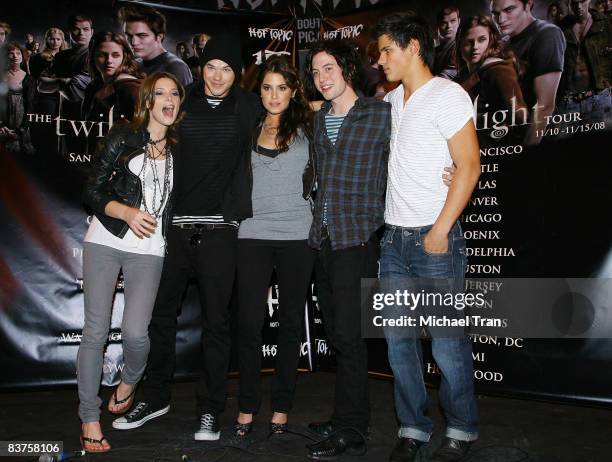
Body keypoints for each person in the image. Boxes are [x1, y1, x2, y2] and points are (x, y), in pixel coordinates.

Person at [111, 35, 261, 442]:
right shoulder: (183, 99)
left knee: (216, 325)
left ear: (238, 72)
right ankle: (155, 396)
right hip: (174, 229)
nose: (217, 75)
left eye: (227, 68)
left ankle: (210, 411)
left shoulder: (249, 106)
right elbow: (149, 133)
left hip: (220, 231)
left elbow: (291, 115)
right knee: (160, 318)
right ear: (201, 67)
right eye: (212, 66)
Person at [373, 12, 481, 462]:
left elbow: (470, 166)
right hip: (393, 242)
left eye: (386, 50)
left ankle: (461, 429)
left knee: (448, 344)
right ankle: (413, 427)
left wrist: (439, 230)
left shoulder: (448, 95)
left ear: (413, 46)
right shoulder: (391, 101)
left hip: (434, 239)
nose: (380, 60)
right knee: (399, 346)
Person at [78, 71, 184, 453]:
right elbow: (91, 188)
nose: (168, 100)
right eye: (160, 93)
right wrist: (124, 211)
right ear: (147, 101)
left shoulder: (179, 148)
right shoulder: (122, 136)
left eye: (175, 94)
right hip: (105, 240)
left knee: (138, 334)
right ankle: (89, 417)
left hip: (151, 249)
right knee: (96, 331)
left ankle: (128, 381)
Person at [301, 39, 390, 459]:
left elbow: (411, 152)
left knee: (351, 337)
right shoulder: (319, 122)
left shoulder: (381, 113)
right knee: (337, 333)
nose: (322, 78)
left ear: (347, 69)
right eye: (316, 72)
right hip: (325, 240)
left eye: (329, 68)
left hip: (358, 238)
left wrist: (447, 169)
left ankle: (353, 428)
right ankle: (344, 415)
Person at [233, 56, 316, 438]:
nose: (274, 95)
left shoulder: (310, 124)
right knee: (249, 323)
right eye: (267, 87)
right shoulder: (248, 126)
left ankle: (281, 407)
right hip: (252, 233)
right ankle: (247, 406)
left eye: (282, 87)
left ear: (294, 90)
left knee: (289, 326)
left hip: (298, 235)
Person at [490, 0, 566, 145]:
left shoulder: (547, 34)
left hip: (538, 140)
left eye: (509, 10)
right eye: (495, 14)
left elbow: (545, 105)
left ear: (528, 4)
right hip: (508, 138)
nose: (501, 20)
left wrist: (526, 156)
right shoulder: (503, 43)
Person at [455, 16, 528, 118]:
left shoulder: (498, 70)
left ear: (491, 40)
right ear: (460, 44)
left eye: (481, 40)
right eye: (468, 42)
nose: (475, 47)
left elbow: (520, 116)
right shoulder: (463, 75)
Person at [82, 32, 143, 152]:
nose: (109, 61)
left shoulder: (131, 88)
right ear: (93, 56)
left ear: (124, 57)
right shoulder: (92, 86)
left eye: (115, 55)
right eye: (102, 55)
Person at [557, 0, 612, 125]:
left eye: (582, 1)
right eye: (574, 3)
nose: (579, 7)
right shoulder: (561, 28)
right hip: (568, 100)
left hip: (599, 97)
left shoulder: (604, 23)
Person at [118, 3, 193, 87]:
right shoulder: (135, 65)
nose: (133, 42)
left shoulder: (176, 67)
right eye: (128, 36)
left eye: (142, 35)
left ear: (159, 37)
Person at [1, 43, 35, 153]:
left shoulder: (29, 78)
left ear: (22, 56)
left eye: (18, 53)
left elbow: (30, 105)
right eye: (11, 53)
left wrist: (22, 129)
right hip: (3, 121)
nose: (15, 56)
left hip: (21, 122)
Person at [433, 6, 461, 79]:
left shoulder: (460, 46)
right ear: (438, 26)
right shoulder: (436, 49)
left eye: (453, 21)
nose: (449, 26)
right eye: (444, 23)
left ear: (459, 21)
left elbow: (447, 75)